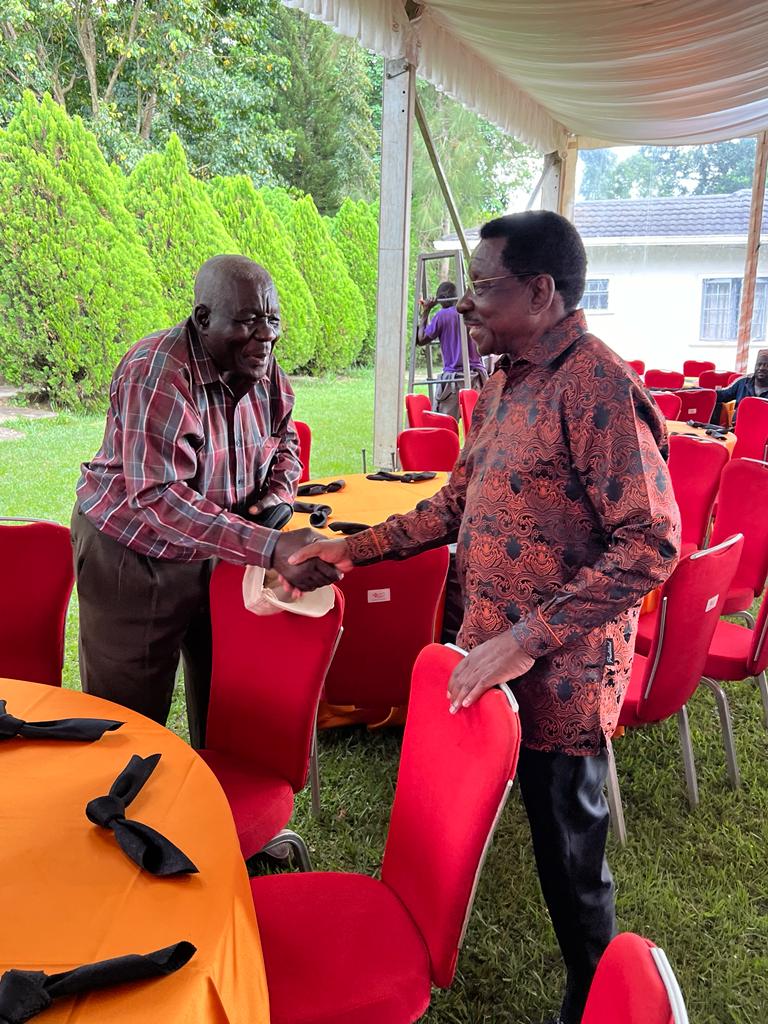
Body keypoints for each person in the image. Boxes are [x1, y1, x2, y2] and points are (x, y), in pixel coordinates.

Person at [290, 211, 681, 1024]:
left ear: (540, 292)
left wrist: (523, 639)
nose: (466, 305)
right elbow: (459, 504)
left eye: (482, 286)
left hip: (561, 682)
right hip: (486, 657)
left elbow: (651, 545)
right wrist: (354, 550)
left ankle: (595, 991)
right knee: (503, 827)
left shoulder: (599, 385)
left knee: (572, 859)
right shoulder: (504, 380)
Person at [71, 254, 339, 747]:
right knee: (128, 717)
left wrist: (276, 500)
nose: (266, 337)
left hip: (221, 550)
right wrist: (269, 546)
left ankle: (208, 806)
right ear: (202, 319)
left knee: (224, 698)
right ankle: (125, 818)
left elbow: (285, 440)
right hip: (134, 555)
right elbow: (157, 497)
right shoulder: (158, 371)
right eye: (246, 321)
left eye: (272, 320)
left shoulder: (261, 362)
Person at [418, 280, 487, 418]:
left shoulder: (442, 316)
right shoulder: (471, 313)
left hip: (454, 380)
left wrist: (426, 311)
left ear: (440, 300)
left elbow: (421, 339)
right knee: (479, 428)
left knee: (443, 426)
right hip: (477, 378)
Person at [711, 349, 768, 424]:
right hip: (738, 428)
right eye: (759, 364)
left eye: (767, 365)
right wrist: (702, 392)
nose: (761, 368)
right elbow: (721, 395)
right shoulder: (743, 382)